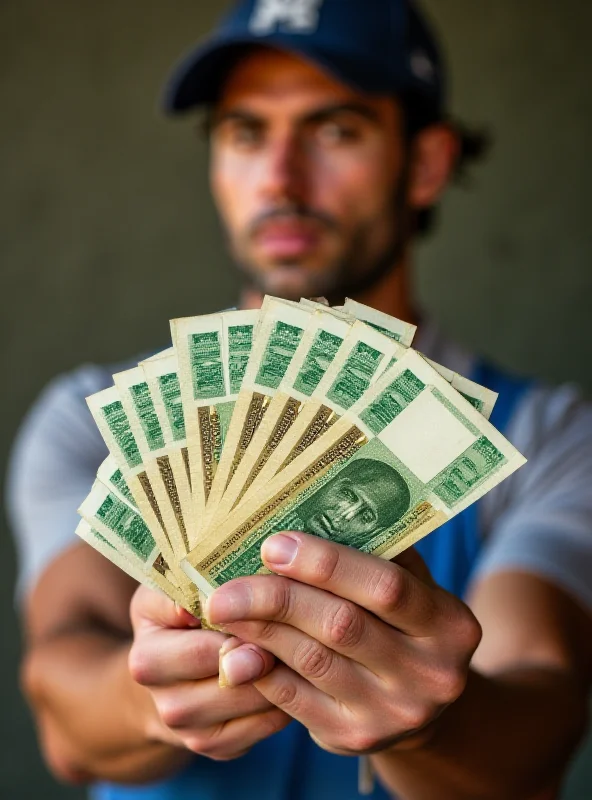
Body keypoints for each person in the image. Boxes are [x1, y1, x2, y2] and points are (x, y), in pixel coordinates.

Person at [8, 1, 592, 798]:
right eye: (245, 132)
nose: (279, 178)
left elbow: (540, 723)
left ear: (425, 163)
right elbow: (61, 698)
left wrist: (430, 723)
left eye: (334, 130)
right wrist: (152, 698)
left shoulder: (548, 435)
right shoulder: (88, 418)